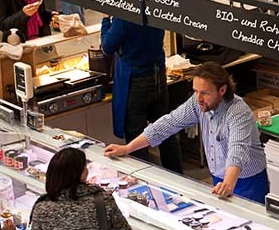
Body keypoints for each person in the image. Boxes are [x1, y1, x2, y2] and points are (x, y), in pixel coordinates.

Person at [103, 62, 270, 203]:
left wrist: (228, 183)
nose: (198, 98)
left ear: (222, 90)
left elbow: (237, 151)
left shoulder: (238, 112)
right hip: (219, 178)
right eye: (195, 91)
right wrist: (127, 148)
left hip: (247, 181)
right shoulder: (197, 103)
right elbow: (167, 124)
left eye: (204, 92)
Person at [101, 16, 183, 174]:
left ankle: (143, 179)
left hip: (135, 80)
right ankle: (178, 175)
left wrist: (105, 20)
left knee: (135, 136)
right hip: (158, 75)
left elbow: (106, 47)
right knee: (165, 129)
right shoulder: (155, 9)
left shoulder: (124, 17)